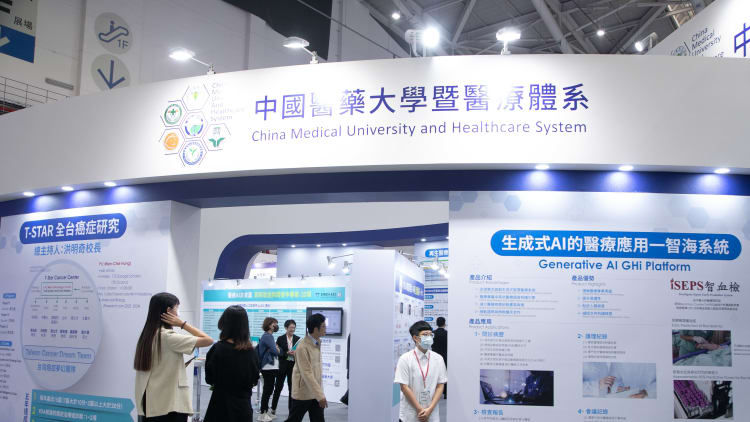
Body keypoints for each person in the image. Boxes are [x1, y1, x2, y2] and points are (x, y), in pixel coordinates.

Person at [134, 292, 214, 421]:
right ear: (169, 311)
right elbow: (208, 340)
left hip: (151, 402)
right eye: (177, 308)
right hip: (168, 405)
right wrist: (182, 324)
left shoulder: (147, 336)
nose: (178, 313)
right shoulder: (168, 336)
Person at [203, 305, 260, 422]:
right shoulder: (251, 352)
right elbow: (254, 379)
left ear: (223, 323)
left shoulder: (217, 349)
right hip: (243, 408)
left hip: (220, 407)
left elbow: (209, 379)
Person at [395, 321, 447, 422]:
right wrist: (420, 409)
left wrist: (429, 410)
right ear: (415, 338)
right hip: (410, 415)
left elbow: (440, 385)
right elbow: (404, 387)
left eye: (430, 334)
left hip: (431, 414)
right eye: (425, 334)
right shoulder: (405, 359)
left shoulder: (438, 359)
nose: (429, 337)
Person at [284, 313, 328, 422]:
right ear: (315, 329)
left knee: (318, 419)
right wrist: (320, 395)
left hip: (315, 392)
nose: (325, 329)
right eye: (323, 326)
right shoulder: (302, 347)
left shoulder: (317, 343)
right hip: (303, 393)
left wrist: (319, 393)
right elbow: (307, 373)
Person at [272, 319, 301, 414]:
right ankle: (273, 409)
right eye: (291, 327)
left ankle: (290, 410)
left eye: (294, 327)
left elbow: (300, 353)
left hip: (293, 367)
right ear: (286, 328)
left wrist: (295, 353)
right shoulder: (280, 339)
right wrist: (286, 353)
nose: (293, 329)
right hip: (282, 366)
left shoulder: (298, 339)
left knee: (291, 389)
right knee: (278, 388)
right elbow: (278, 352)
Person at [258, 317, 281, 421]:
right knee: (267, 390)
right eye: (274, 324)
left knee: (269, 390)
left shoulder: (269, 336)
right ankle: (262, 413)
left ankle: (265, 412)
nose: (276, 325)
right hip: (268, 367)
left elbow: (277, 350)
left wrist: (277, 349)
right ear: (268, 325)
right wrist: (277, 349)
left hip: (271, 367)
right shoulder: (267, 336)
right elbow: (276, 351)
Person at [431, 317, 448, 399]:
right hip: (444, 356)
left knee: (434, 375)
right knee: (445, 374)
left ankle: (433, 392)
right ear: (444, 323)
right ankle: (445, 393)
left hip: (434, 357)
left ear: (436, 323)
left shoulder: (432, 334)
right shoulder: (447, 333)